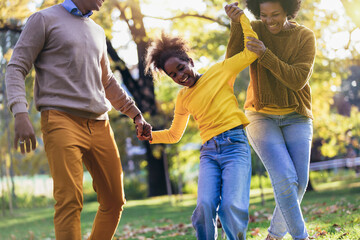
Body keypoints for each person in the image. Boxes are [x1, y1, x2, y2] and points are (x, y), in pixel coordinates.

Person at [5, 0, 151, 239]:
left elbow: (107, 81)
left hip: (100, 123)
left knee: (115, 200)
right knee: (69, 200)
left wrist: (135, 113)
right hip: (60, 119)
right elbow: (16, 67)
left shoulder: (96, 30)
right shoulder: (43, 20)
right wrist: (20, 112)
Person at [142, 6, 257, 240]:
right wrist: (150, 135)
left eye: (181, 68)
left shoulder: (220, 72)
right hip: (209, 153)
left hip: (235, 146)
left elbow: (251, 52)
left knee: (230, 207)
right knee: (204, 207)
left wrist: (242, 18)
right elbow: (175, 134)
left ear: (190, 61)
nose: (179, 76)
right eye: (173, 75)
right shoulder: (183, 98)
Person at [225, 1, 316, 240]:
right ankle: (302, 237)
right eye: (264, 15)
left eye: (275, 14)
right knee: (285, 179)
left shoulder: (305, 36)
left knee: (299, 183)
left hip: (296, 114)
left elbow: (297, 80)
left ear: (288, 10)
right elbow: (231, 63)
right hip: (260, 115)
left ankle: (274, 236)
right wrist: (236, 25)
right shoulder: (253, 28)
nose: (269, 20)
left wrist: (265, 54)